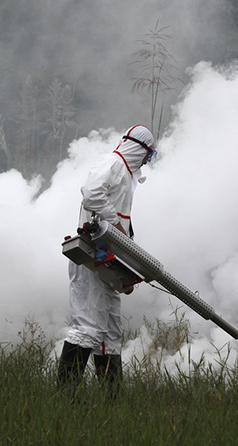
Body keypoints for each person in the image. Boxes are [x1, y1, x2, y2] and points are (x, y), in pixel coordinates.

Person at [57, 124, 157, 397]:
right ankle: (65, 398)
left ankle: (112, 399)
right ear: (139, 149)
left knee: (110, 333)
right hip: (91, 260)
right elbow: (91, 193)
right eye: (148, 155)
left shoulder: (126, 177)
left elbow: (121, 229)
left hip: (109, 261)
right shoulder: (112, 163)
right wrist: (115, 224)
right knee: (87, 327)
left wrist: (128, 268)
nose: (147, 162)